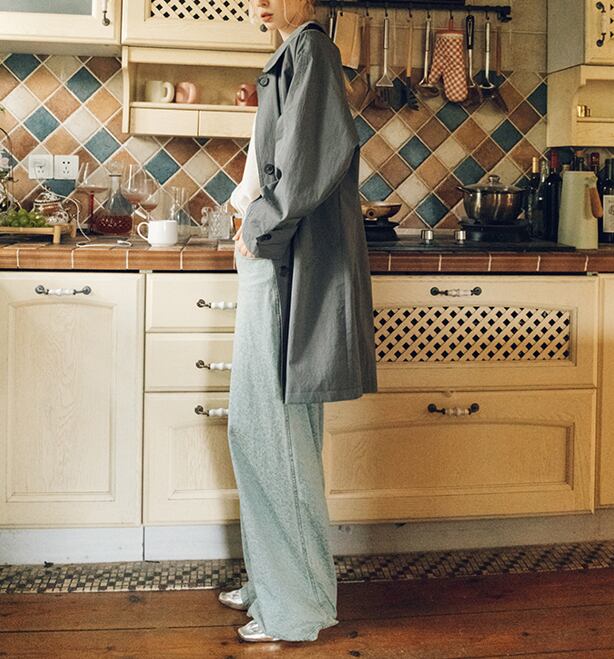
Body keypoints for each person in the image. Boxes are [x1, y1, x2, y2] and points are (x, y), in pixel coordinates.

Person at [220, 0, 378, 644]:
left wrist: (257, 227)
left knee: (276, 437)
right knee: (258, 430)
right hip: (273, 260)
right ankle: (273, 578)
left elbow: (310, 164)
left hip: (282, 265)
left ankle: (296, 605)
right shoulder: (293, 54)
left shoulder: (312, 49)